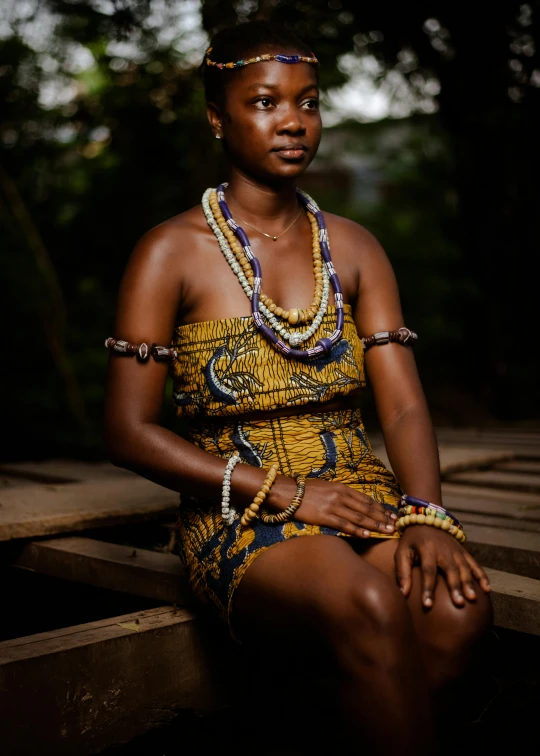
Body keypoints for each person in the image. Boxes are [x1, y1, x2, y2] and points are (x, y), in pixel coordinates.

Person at [104, 21, 493, 755]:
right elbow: (128, 432)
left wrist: (425, 512)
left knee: (458, 608)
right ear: (218, 118)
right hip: (238, 506)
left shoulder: (354, 247)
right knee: (372, 603)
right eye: (263, 102)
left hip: (358, 486)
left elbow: (404, 402)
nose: (292, 121)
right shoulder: (169, 252)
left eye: (307, 103)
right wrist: (286, 493)